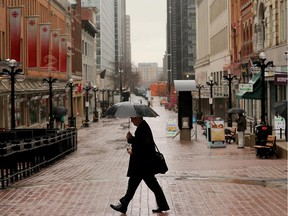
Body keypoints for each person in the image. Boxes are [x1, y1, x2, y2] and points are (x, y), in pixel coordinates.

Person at [110, 117, 169, 214]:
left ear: (138, 118)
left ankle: (124, 205)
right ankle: (124, 205)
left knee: (138, 186)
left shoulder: (143, 128)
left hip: (143, 165)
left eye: (133, 118)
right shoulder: (142, 127)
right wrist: (131, 139)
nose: (132, 120)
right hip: (143, 165)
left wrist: (132, 151)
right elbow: (139, 142)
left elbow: (144, 146)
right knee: (139, 186)